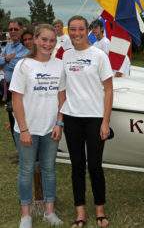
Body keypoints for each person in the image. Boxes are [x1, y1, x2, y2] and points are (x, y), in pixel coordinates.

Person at [59, 15, 113, 228]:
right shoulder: (65, 56)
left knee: (95, 165)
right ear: (68, 31)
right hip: (72, 118)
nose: (76, 33)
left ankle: (100, 209)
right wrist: (60, 120)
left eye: (81, 29)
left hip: (94, 118)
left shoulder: (99, 55)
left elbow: (108, 89)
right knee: (77, 166)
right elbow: (62, 90)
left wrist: (105, 121)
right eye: (72, 29)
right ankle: (80, 211)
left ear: (88, 30)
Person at [9, 24, 64, 228]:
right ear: (35, 40)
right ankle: (26, 215)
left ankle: (49, 211)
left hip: (51, 128)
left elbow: (62, 95)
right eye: (44, 39)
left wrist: (59, 122)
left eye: (51, 40)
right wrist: (23, 129)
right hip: (27, 130)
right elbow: (16, 99)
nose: (47, 44)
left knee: (49, 169)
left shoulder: (59, 65)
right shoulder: (23, 65)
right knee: (26, 170)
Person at [0, 19, 29, 144]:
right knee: (12, 119)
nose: (12, 32)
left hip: (22, 89)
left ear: (22, 30)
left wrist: (6, 61)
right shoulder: (7, 46)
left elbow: (20, 65)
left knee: (23, 119)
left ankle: (28, 150)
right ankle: (19, 149)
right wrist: (6, 59)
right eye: (10, 29)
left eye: (15, 29)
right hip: (9, 88)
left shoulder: (26, 46)